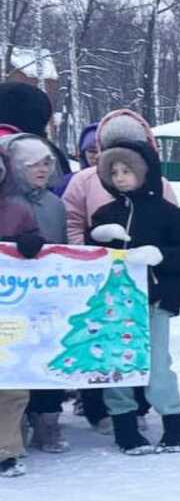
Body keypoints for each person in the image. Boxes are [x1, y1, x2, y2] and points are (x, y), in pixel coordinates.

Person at [88, 142, 180, 455]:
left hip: (155, 301)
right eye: (114, 172)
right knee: (116, 364)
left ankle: (174, 425)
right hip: (113, 305)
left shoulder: (167, 213)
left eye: (127, 171)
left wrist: (161, 255)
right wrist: (95, 237)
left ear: (144, 172)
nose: (120, 178)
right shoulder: (105, 214)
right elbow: (88, 262)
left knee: (157, 365)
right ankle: (126, 429)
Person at [0, 133, 69, 453]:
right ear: (16, 167)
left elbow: (64, 245)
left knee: (46, 353)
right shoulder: (10, 203)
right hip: (11, 297)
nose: (41, 170)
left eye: (46, 163)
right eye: (32, 164)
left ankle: (47, 421)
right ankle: (15, 428)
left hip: (44, 292)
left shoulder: (55, 204)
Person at [62, 109, 178, 245]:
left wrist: (158, 254)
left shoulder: (160, 184)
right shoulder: (84, 180)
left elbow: (176, 233)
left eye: (131, 146)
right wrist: (90, 252)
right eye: (114, 146)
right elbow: (71, 224)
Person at [0, 145, 46, 477]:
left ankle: (6, 448)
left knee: (11, 383)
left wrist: (30, 244)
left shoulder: (16, 210)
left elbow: (38, 248)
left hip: (10, 310)